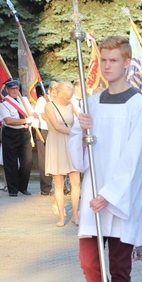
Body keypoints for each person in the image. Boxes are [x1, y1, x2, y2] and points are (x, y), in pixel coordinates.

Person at [68, 35, 142, 282]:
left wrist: (110, 194)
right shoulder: (92, 102)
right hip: (93, 195)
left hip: (120, 199)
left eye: (114, 60)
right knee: (89, 264)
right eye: (103, 60)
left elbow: (134, 156)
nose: (107, 66)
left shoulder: (138, 105)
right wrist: (81, 130)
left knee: (119, 270)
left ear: (127, 63)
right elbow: (80, 157)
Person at [44, 81, 80, 227]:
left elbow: (78, 119)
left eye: (70, 97)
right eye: (66, 97)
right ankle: (61, 216)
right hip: (56, 144)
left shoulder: (70, 105)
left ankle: (75, 215)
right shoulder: (49, 106)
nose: (68, 100)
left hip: (70, 144)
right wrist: (76, 133)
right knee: (59, 183)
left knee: (76, 182)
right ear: (59, 94)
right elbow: (58, 127)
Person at [0, 79, 34, 197]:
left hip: (24, 132)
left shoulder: (24, 101)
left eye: (16, 88)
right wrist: (25, 120)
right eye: (12, 89)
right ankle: (12, 189)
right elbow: (9, 120)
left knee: (27, 162)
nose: (15, 90)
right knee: (11, 163)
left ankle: (23, 187)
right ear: (7, 90)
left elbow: (32, 114)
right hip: (11, 133)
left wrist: (33, 117)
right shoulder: (3, 103)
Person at [34, 84, 53, 196]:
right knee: (44, 159)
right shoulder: (42, 100)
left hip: (59, 132)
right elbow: (41, 114)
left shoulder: (62, 100)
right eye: (54, 90)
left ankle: (61, 186)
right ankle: (46, 188)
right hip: (45, 131)